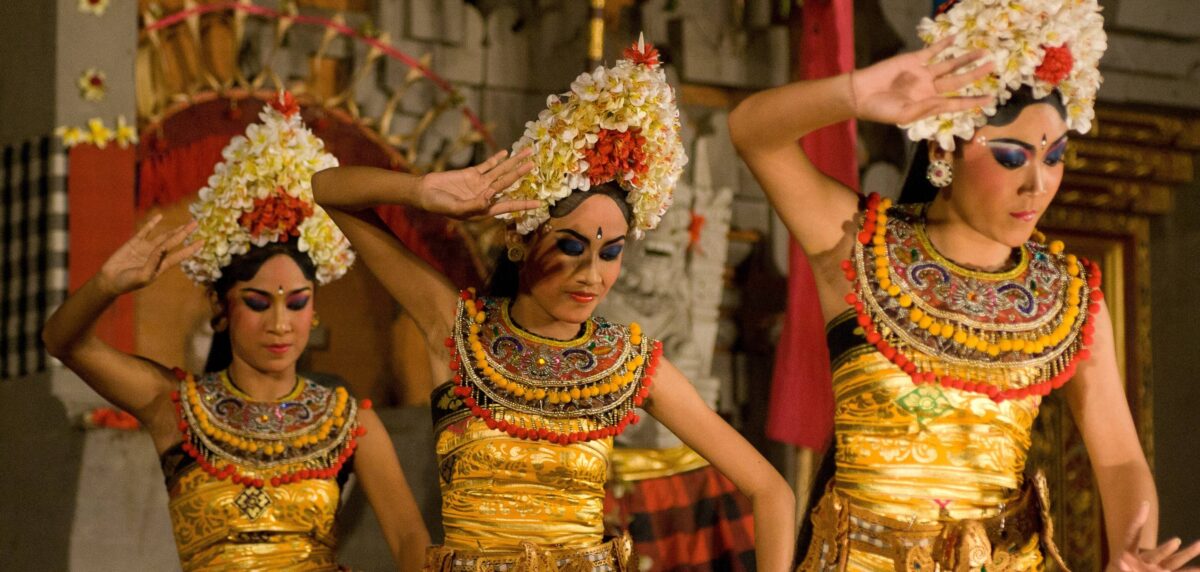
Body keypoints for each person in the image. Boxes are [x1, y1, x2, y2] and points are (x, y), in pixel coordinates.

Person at [729, 0, 1200, 570]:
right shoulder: (860, 244)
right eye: (1011, 156)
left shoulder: (1068, 296)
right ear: (942, 147)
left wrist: (1133, 549)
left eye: (1054, 158)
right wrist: (854, 94)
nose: (1037, 184)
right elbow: (753, 133)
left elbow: (1120, 459)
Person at [314, 38, 796, 571]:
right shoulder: (457, 332)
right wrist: (422, 191)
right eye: (571, 247)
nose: (592, 275)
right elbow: (328, 189)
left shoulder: (628, 364)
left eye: (610, 253)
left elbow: (772, 492)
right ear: (523, 239)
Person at [43, 93, 430, 571]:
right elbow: (62, 342)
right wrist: (105, 285)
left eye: (297, 302)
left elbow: (411, 538)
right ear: (220, 308)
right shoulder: (176, 407)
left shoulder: (349, 422)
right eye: (257, 303)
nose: (280, 324)